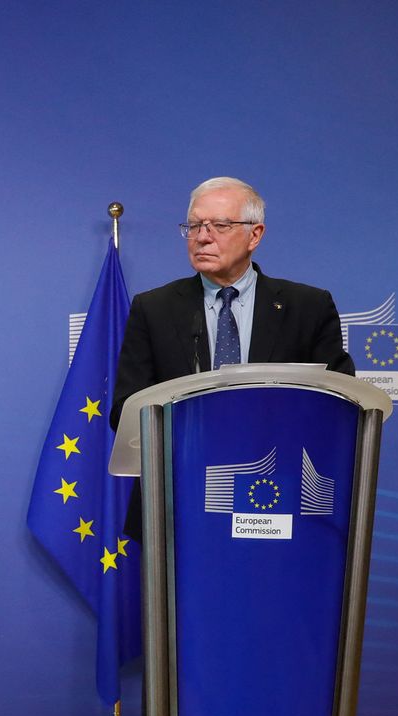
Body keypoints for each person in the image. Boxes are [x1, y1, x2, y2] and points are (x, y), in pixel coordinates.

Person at [110, 177, 355, 537]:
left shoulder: (308, 307)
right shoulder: (154, 308)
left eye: (220, 226)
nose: (202, 236)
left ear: (255, 235)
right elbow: (125, 409)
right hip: (179, 500)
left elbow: (342, 403)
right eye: (194, 226)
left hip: (282, 497)